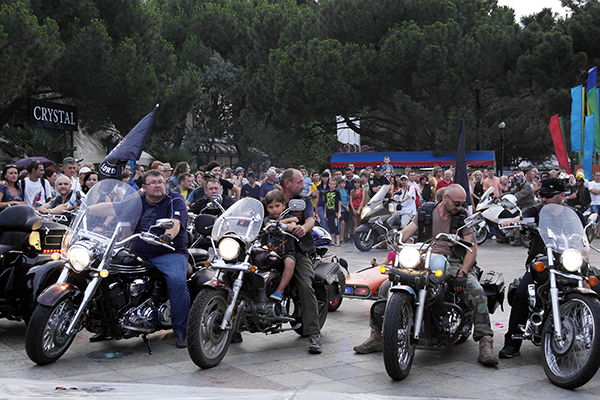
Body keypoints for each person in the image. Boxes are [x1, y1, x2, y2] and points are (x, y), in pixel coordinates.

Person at [354, 184, 498, 365]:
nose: (460, 207)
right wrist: (396, 237)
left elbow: (471, 248)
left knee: (477, 292)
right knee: (385, 287)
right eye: (457, 203)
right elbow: (408, 231)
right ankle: (377, 336)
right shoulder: (425, 211)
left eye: (462, 204)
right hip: (423, 258)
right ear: (445, 198)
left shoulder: (463, 217)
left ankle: (485, 342)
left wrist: (463, 272)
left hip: (453, 261)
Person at [498, 178, 585, 359]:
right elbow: (522, 217)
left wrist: (584, 263)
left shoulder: (574, 215)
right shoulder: (536, 211)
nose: (543, 199)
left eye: (548, 195)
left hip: (569, 262)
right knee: (522, 293)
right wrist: (514, 221)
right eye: (541, 195)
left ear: (562, 195)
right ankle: (512, 342)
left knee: (596, 286)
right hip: (542, 263)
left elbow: (583, 241)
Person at [130, 170, 189, 348]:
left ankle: (181, 330)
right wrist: (87, 209)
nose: (158, 185)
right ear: (144, 187)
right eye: (153, 182)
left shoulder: (174, 199)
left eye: (160, 182)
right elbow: (115, 210)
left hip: (168, 251)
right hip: (138, 252)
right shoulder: (137, 201)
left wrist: (168, 235)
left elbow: (175, 222)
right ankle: (106, 326)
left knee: (177, 282)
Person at [279, 168, 322, 354]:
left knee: (305, 284)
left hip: (297, 249)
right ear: (288, 183)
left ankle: (314, 333)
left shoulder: (304, 200)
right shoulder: (273, 199)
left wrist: (303, 228)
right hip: (273, 248)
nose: (304, 186)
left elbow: (311, 219)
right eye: (300, 182)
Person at [262, 190, 298, 301]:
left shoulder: (290, 216)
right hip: (270, 252)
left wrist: (292, 223)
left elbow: (294, 223)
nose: (274, 210)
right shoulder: (267, 219)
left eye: (277, 206)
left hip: (286, 252)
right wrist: (289, 221)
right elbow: (270, 226)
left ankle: (280, 290)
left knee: (290, 262)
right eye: (270, 207)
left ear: (283, 205)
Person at [325, 178, 342, 246]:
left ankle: (337, 240)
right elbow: (325, 203)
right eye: (331, 184)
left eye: (333, 184)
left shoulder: (337, 192)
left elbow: (339, 202)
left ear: (335, 185)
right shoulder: (327, 193)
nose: (332, 185)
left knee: (336, 226)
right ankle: (332, 240)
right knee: (330, 225)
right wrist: (325, 213)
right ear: (329, 184)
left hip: (335, 211)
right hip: (329, 212)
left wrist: (339, 212)